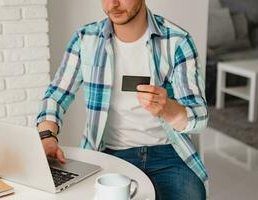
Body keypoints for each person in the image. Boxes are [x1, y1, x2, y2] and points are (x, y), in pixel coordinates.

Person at [37, 0, 208, 199]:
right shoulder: (86, 39)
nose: (113, 4)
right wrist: (47, 138)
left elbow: (200, 118)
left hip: (169, 154)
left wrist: (169, 109)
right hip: (109, 154)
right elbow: (55, 96)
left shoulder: (177, 40)